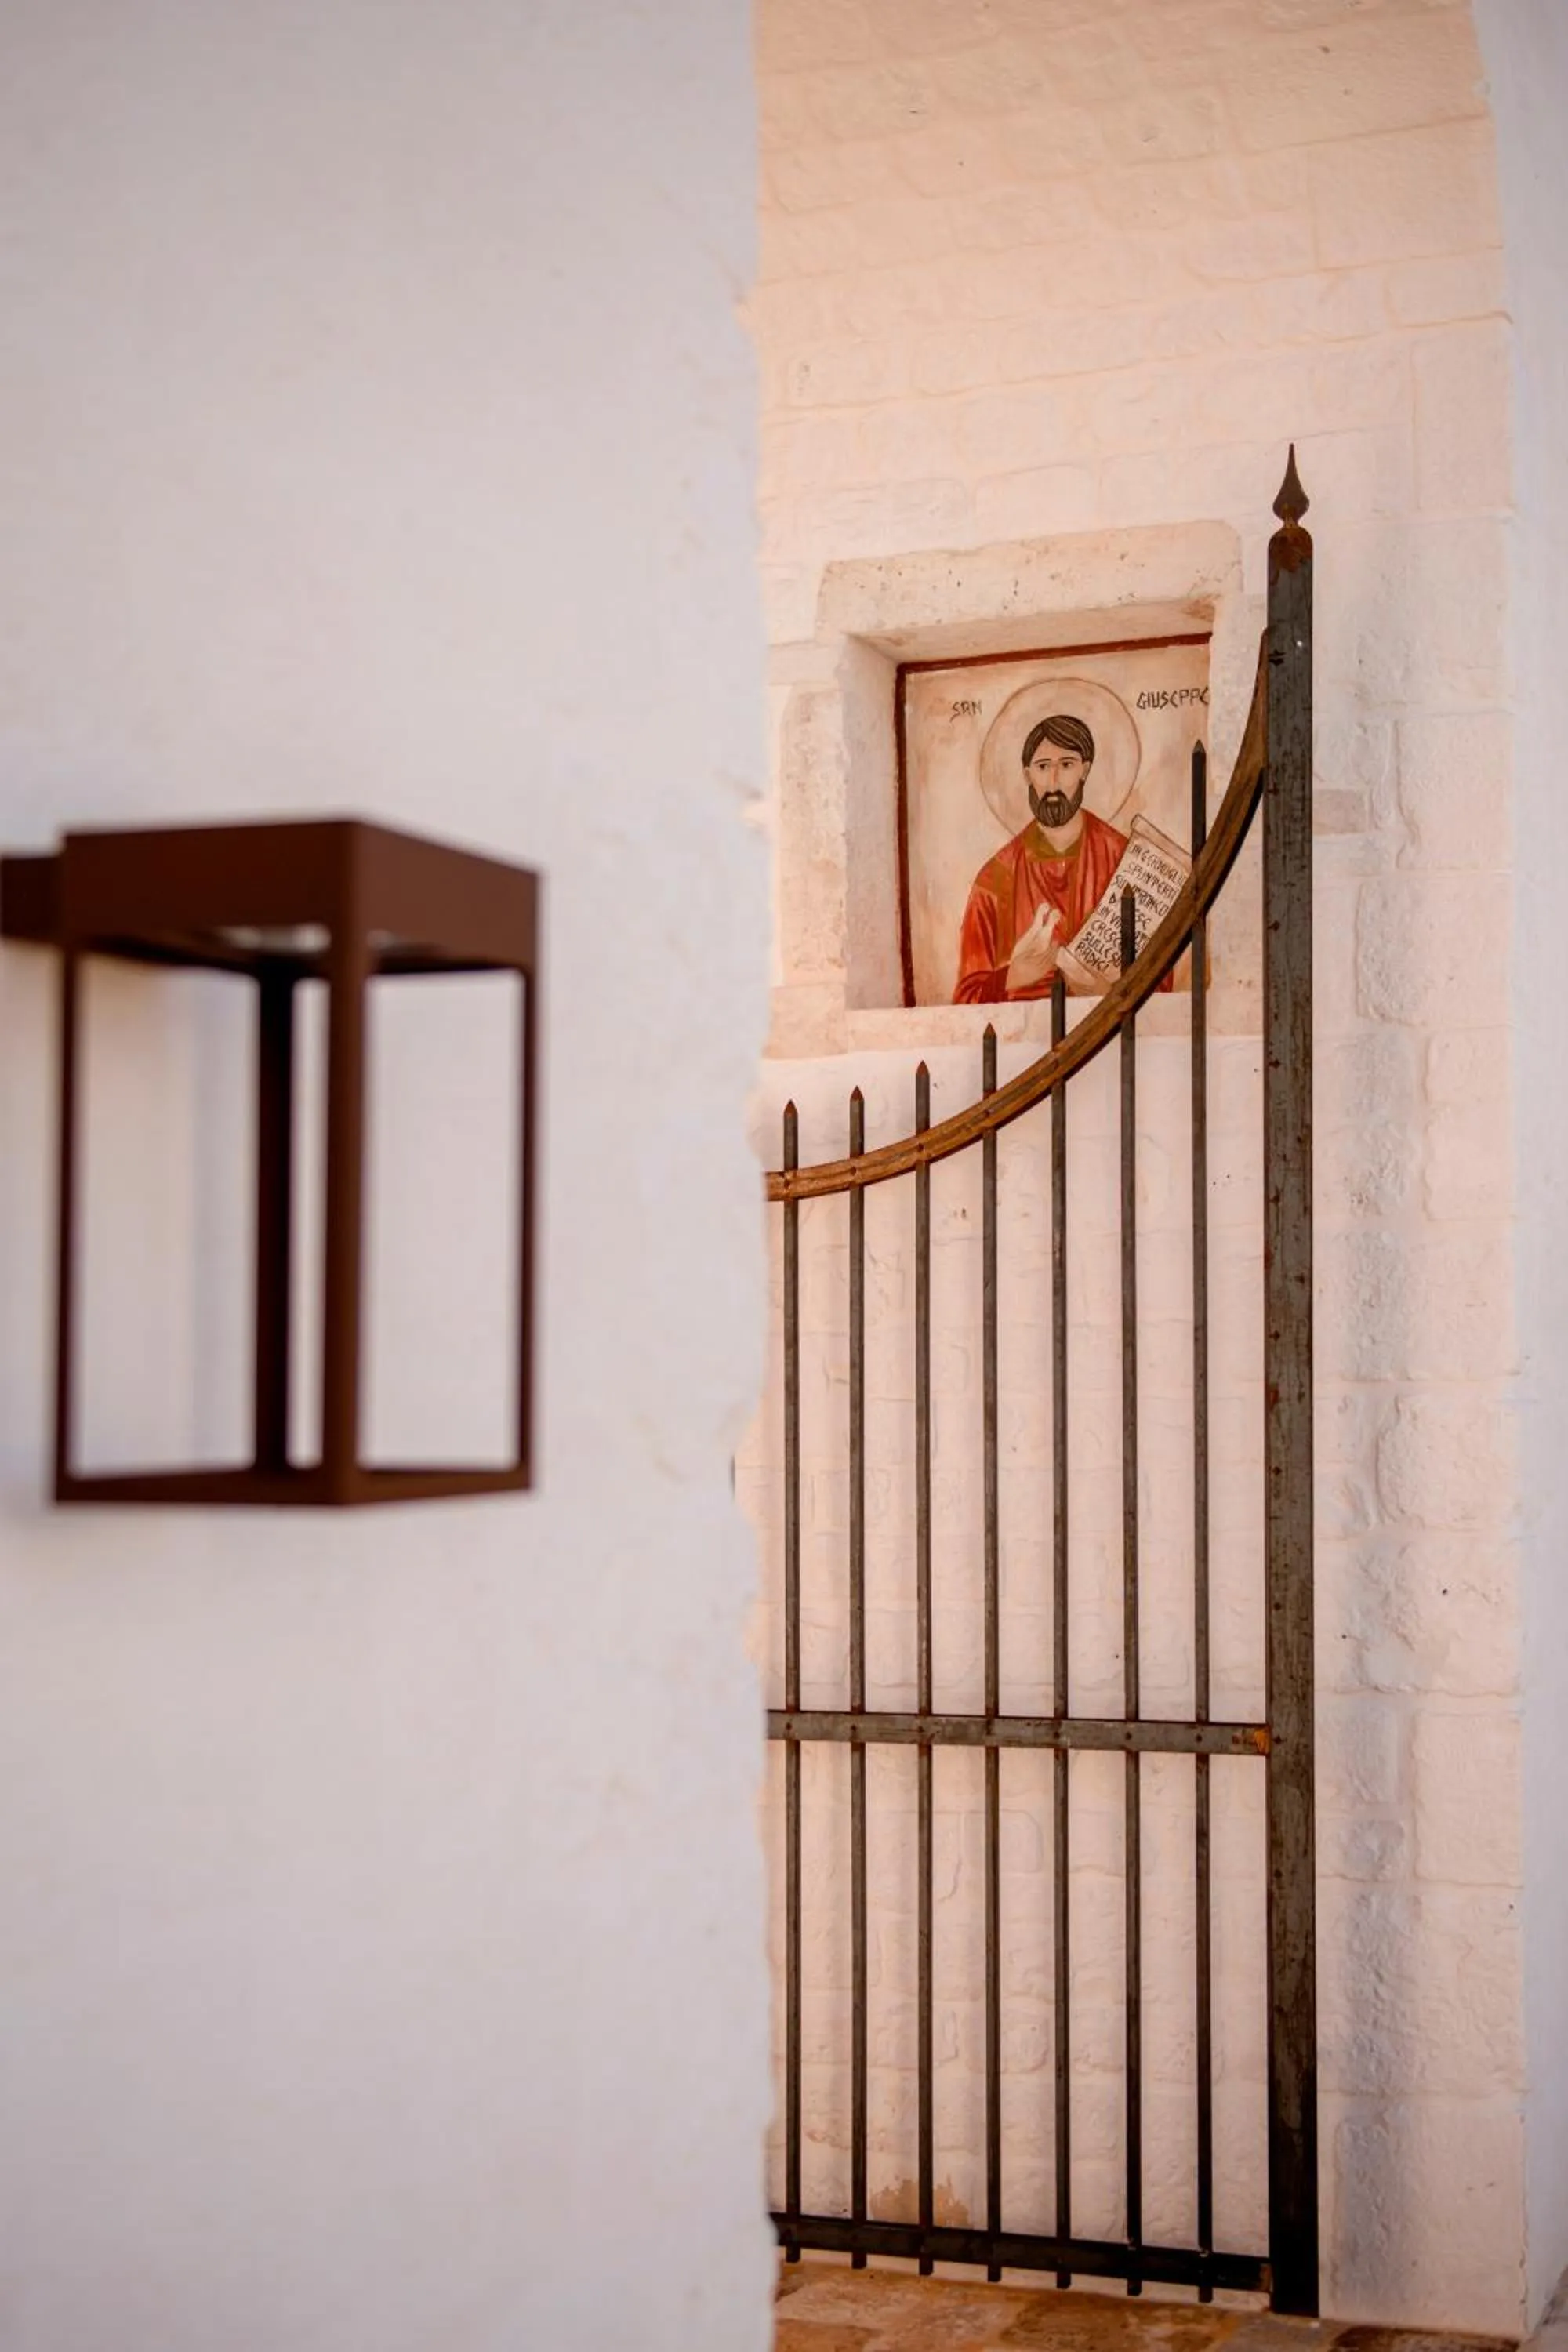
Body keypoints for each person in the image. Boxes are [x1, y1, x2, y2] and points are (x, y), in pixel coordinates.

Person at [953, 713, 1129, 1003]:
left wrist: (1108, 994)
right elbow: (965, 1000)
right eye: (1043, 766)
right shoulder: (995, 879)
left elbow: (1161, 976)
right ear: (1027, 775)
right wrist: (1012, 976)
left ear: (1085, 771)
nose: (1053, 783)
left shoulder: (1123, 861)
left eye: (1067, 765)